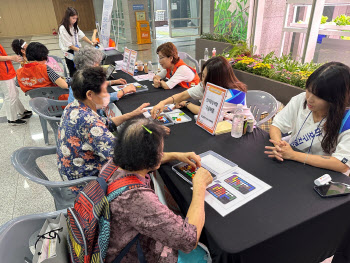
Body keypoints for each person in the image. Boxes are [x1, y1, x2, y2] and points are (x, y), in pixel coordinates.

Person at [104, 117, 213, 262]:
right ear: (150, 158)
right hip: (134, 255)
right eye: (160, 152)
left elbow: (142, 157)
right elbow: (188, 240)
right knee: (203, 255)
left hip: (117, 241)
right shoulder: (137, 198)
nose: (162, 155)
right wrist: (199, 187)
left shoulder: (112, 165)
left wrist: (175, 155)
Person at [57, 67, 149, 181]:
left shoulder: (73, 106)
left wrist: (131, 114)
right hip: (86, 183)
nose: (107, 94)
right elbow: (125, 157)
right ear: (90, 94)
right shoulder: (89, 122)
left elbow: (107, 123)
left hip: (72, 172)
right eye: (104, 91)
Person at [264, 62, 350, 174]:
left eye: (319, 96)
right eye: (309, 90)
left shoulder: (346, 120)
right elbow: (277, 125)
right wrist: (279, 146)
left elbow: (342, 164)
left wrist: (294, 155)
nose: (309, 99)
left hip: (323, 175)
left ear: (335, 99)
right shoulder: (301, 99)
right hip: (292, 164)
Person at [151, 56, 253, 121]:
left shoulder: (234, 94)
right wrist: (162, 103)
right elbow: (183, 95)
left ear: (216, 79)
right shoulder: (207, 85)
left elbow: (206, 112)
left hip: (242, 130)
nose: (201, 80)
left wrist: (187, 104)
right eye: (202, 75)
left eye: (204, 77)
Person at [68, 46, 135, 104]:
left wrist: (113, 82)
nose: (99, 66)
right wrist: (124, 91)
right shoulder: (85, 81)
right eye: (98, 63)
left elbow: (95, 84)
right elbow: (101, 99)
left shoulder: (80, 76)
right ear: (91, 65)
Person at [58, 7, 97, 77]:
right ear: (68, 17)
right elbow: (69, 45)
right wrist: (81, 51)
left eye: (76, 18)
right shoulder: (63, 28)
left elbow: (82, 36)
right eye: (73, 18)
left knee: (81, 69)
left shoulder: (74, 26)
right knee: (73, 71)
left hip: (77, 49)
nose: (75, 20)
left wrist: (91, 43)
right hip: (69, 52)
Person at [0, 44, 31, 125]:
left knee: (14, 93)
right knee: (10, 96)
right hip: (2, 73)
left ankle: (21, 111)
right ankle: (12, 119)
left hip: (6, 71)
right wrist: (11, 57)